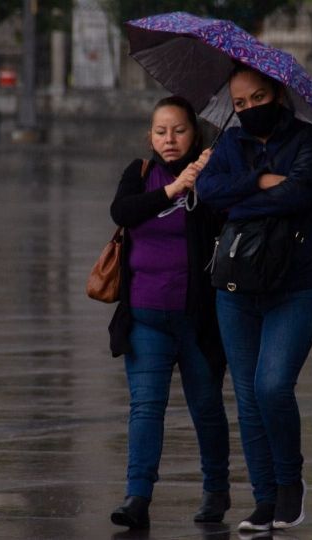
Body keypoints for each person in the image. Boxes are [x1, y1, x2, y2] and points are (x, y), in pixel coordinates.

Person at [195, 64, 312, 532]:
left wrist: (241, 199)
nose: (249, 108)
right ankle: (264, 498)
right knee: (249, 397)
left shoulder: (311, 140)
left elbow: (299, 196)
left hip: (295, 286)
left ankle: (290, 483)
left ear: (277, 93)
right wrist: (257, 182)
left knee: (272, 386)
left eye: (257, 98)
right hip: (234, 287)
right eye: (239, 104)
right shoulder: (230, 142)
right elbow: (209, 193)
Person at [107, 95, 231, 529]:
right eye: (160, 131)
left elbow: (229, 221)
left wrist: (207, 181)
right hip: (145, 315)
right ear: (150, 136)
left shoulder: (210, 174)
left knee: (206, 407)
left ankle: (216, 490)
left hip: (198, 320)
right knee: (145, 408)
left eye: (178, 130)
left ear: (194, 133)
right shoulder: (139, 175)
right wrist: (173, 189)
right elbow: (122, 211)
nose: (169, 139)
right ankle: (137, 496)